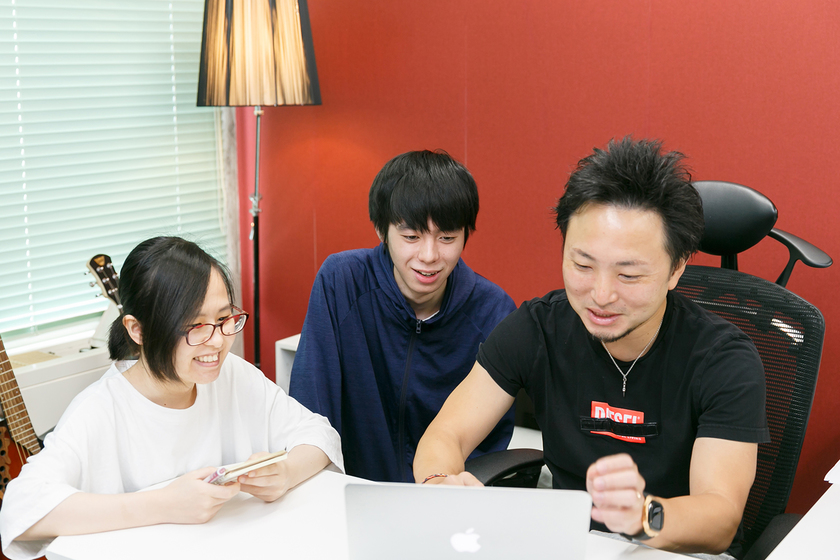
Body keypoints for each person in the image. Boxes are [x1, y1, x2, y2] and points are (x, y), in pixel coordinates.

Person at [413, 138, 769, 557]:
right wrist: (440, 483)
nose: (600, 295)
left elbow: (720, 517)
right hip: (572, 544)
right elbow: (447, 433)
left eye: (628, 275)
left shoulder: (724, 360)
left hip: (675, 550)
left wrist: (642, 516)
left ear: (677, 268)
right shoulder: (538, 327)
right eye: (582, 265)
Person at [0, 237, 343, 560]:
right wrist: (163, 504)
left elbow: (319, 433)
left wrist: (286, 472)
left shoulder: (234, 375)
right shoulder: (99, 410)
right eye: (195, 325)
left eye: (223, 319)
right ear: (138, 330)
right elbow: (20, 511)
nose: (217, 341)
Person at [289, 150, 516, 483]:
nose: (429, 256)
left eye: (447, 238)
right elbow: (310, 408)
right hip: (350, 491)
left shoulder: (493, 311)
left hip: (445, 495)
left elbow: (488, 443)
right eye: (411, 237)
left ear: (466, 235)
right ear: (382, 231)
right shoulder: (342, 282)